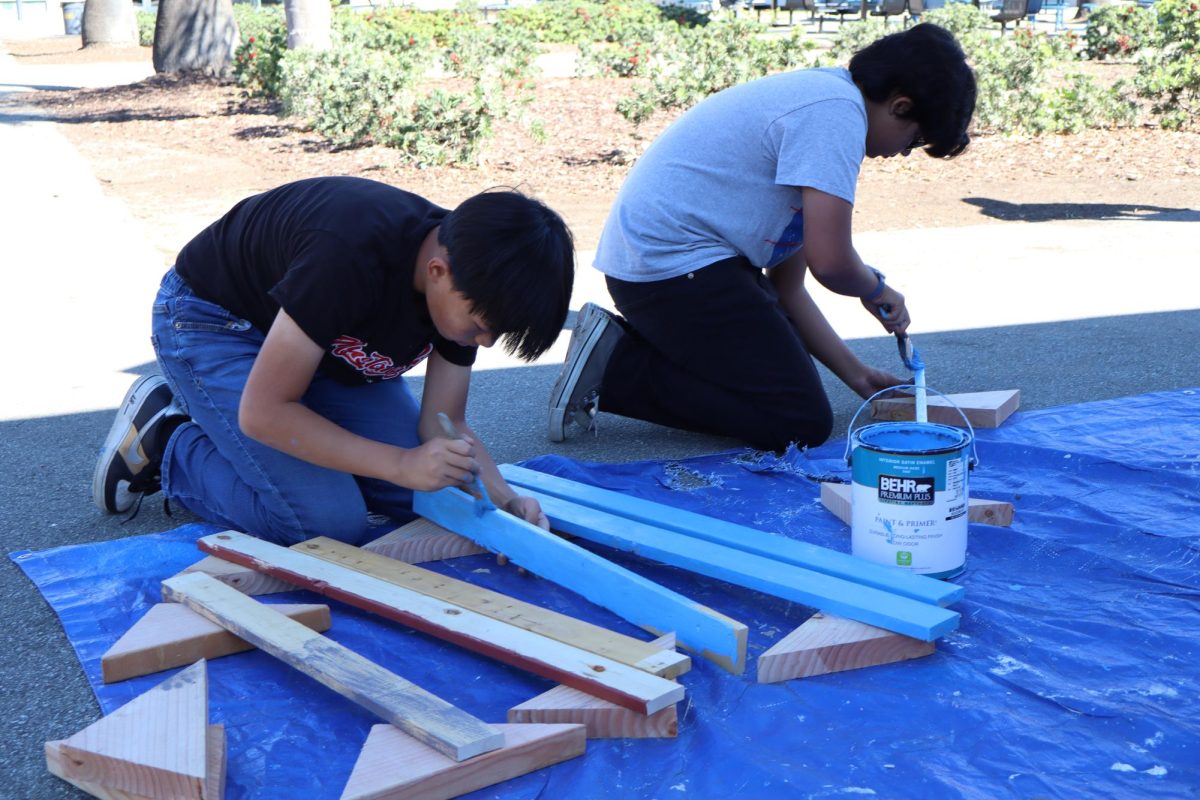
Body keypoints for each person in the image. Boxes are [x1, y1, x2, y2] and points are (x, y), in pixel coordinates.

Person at [548, 23, 976, 452]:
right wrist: (876, 288)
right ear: (900, 105)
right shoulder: (836, 116)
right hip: (671, 272)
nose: (901, 152)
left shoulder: (827, 101)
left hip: (675, 270)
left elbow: (788, 290)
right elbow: (831, 263)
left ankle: (626, 349)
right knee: (798, 419)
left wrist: (858, 375)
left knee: (778, 372)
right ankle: (615, 369)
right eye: (913, 140)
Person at [93, 176, 575, 545]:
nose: (484, 342)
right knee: (323, 522)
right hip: (216, 321)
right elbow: (266, 412)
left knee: (428, 493)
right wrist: (400, 462)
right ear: (437, 272)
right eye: (480, 326)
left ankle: (294, 451)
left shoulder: (472, 275)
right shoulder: (350, 253)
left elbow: (445, 423)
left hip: (316, 348)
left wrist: (505, 500)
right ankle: (168, 440)